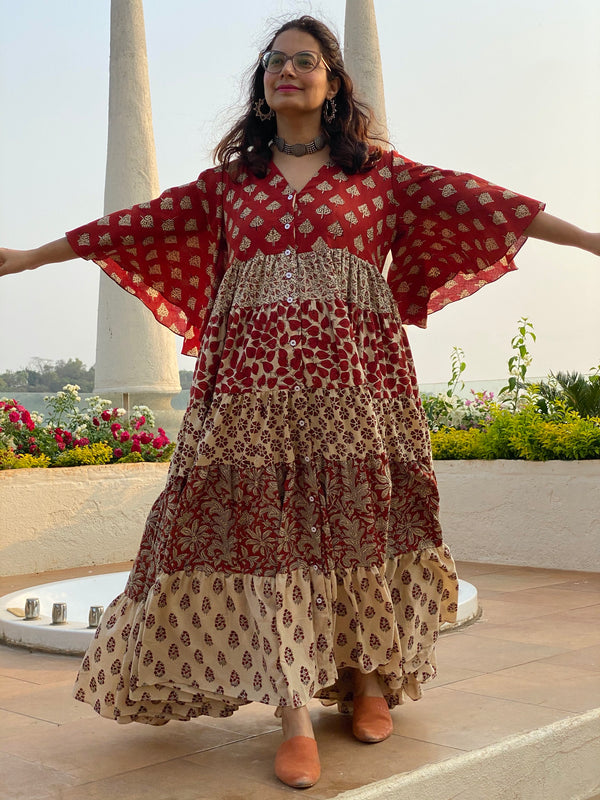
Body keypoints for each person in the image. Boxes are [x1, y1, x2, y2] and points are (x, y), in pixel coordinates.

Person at [1, 14, 599, 791]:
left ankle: (370, 681)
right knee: (263, 534)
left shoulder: (383, 174)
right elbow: (130, 226)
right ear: (263, 82)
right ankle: (290, 708)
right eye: (276, 62)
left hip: (358, 384)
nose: (288, 72)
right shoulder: (228, 185)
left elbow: (487, 203)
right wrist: (29, 257)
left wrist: (588, 239)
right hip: (248, 389)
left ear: (332, 81)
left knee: (362, 518)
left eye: (305, 61)